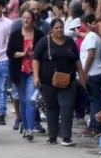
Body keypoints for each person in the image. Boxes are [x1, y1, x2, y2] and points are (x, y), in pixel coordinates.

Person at [33, 16, 81, 146]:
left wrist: (82, 76)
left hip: (68, 80)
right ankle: (52, 136)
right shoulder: (44, 42)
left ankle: (66, 137)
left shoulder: (70, 42)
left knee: (67, 107)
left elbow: (77, 60)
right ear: (51, 30)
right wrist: (36, 76)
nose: (59, 30)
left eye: (61, 27)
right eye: (56, 28)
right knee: (51, 108)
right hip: (48, 82)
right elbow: (36, 59)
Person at [8, 9, 41, 138]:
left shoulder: (39, 35)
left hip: (33, 71)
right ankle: (25, 125)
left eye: (28, 18)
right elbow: (10, 53)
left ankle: (30, 130)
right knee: (23, 101)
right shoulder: (15, 34)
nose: (26, 20)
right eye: (24, 18)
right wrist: (24, 54)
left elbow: (42, 53)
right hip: (19, 71)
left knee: (30, 100)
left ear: (33, 20)